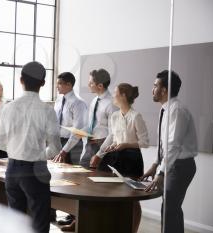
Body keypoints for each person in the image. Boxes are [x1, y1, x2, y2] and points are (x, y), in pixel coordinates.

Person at [0, 61, 62, 233]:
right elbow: (55, 148)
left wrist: (18, 150)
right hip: (36, 170)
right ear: (43, 83)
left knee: (15, 222)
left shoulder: (8, 108)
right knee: (40, 222)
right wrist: (38, 156)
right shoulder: (47, 111)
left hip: (12, 169)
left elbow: (0, 144)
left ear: (21, 80)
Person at [141, 70, 198, 233]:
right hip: (172, 164)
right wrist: (155, 165)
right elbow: (164, 144)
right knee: (170, 209)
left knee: (170, 209)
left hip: (180, 166)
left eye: (155, 86)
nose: (152, 89)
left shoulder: (177, 110)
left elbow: (173, 146)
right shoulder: (166, 109)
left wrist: (161, 173)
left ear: (164, 90)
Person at [61, 68, 117, 232]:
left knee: (98, 189)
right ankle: (78, 221)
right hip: (90, 145)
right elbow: (90, 125)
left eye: (91, 82)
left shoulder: (111, 104)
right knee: (82, 184)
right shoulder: (94, 101)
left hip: (103, 148)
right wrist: (77, 132)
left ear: (99, 85)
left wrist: (100, 154)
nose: (88, 84)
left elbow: (113, 133)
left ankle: (97, 224)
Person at [90, 83, 149, 233]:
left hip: (132, 159)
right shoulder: (115, 115)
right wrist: (101, 153)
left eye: (115, 93)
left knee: (132, 199)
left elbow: (145, 142)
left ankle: (133, 231)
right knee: (110, 194)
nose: (112, 96)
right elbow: (112, 137)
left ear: (123, 95)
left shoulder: (136, 116)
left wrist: (124, 144)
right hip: (116, 156)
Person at [51, 72, 87, 226]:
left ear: (68, 85)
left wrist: (65, 150)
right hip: (58, 141)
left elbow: (78, 131)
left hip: (73, 144)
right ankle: (59, 212)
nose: (57, 86)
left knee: (73, 181)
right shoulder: (59, 100)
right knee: (56, 179)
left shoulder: (78, 103)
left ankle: (74, 216)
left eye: (59, 83)